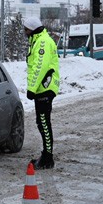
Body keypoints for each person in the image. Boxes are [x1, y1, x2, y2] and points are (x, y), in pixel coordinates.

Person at [24, 16, 60, 170]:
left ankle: (47, 158)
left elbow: (40, 67)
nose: (24, 32)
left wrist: (31, 89)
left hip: (44, 88)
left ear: (32, 29)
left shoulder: (42, 42)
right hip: (42, 88)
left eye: (26, 29)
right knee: (42, 122)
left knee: (44, 123)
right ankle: (46, 155)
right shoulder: (39, 40)